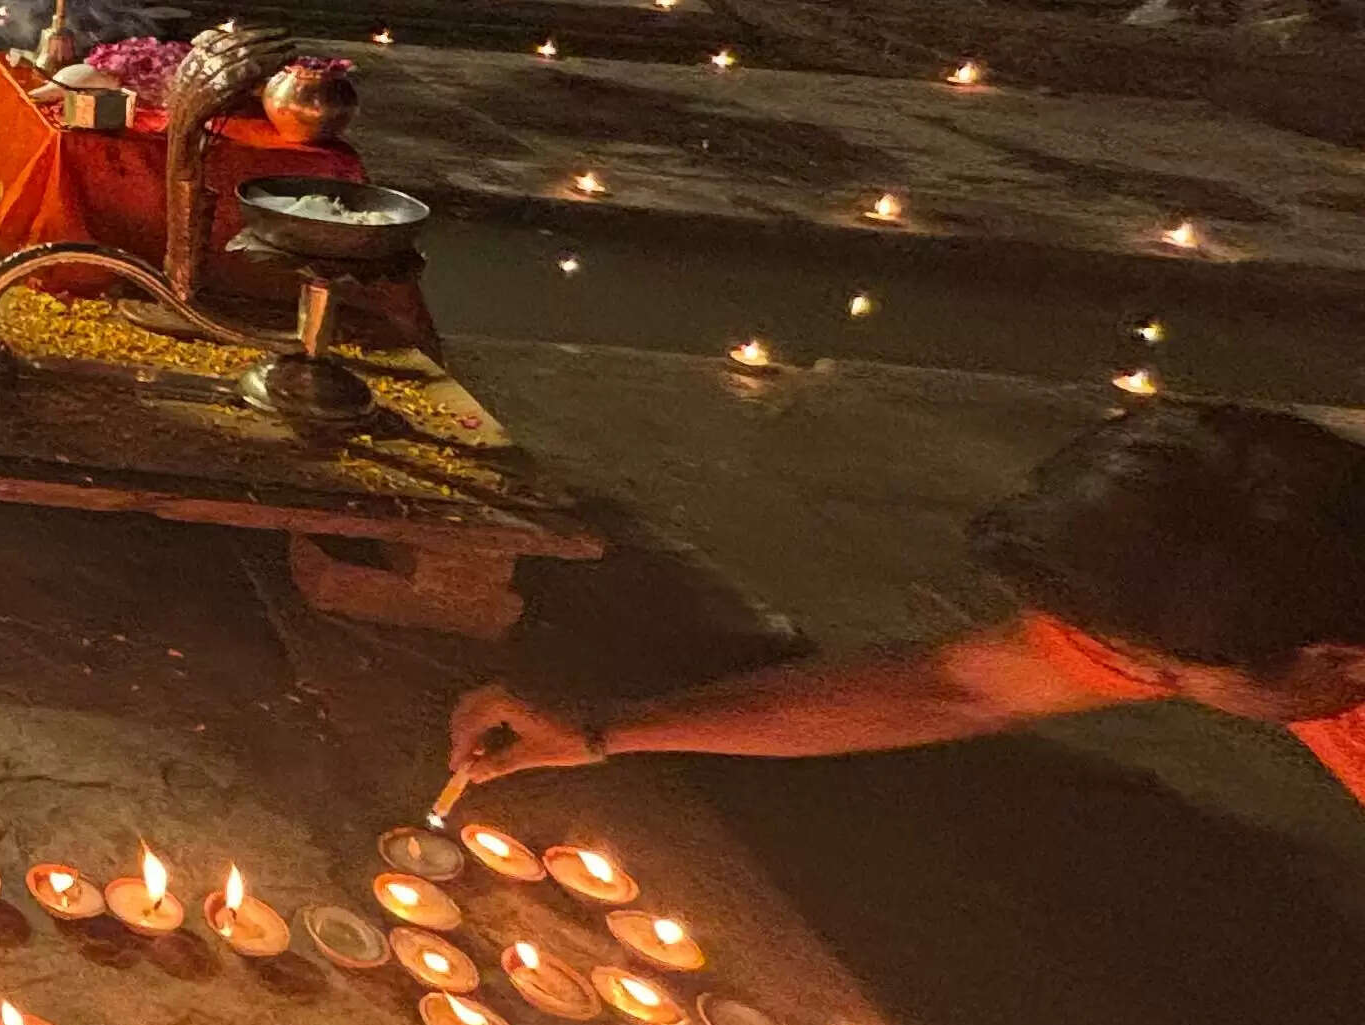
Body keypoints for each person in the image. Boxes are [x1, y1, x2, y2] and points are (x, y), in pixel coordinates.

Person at [448, 405, 1365, 812]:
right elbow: (959, 687)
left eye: (1166, 673)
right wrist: (605, 730)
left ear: (1336, 661)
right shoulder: (1271, 573)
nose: (1139, 677)